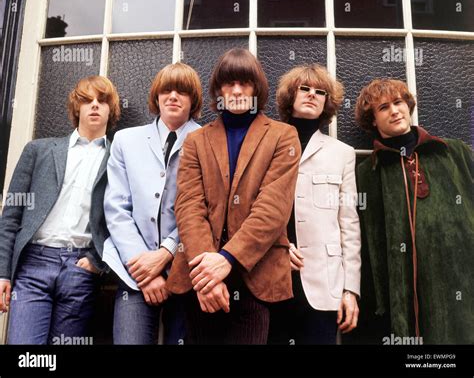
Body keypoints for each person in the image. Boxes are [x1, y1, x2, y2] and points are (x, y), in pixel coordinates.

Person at [166, 48, 301, 344]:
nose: (237, 90)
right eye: (229, 83)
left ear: (257, 88)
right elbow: (188, 206)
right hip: (199, 278)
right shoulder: (195, 140)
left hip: (255, 276)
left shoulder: (283, 136)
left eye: (245, 83)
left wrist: (228, 259)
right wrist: (207, 271)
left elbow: (273, 209)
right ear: (218, 90)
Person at [0, 76, 120, 344]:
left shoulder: (118, 158)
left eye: (102, 101)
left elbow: (123, 218)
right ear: (76, 107)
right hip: (33, 265)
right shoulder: (38, 150)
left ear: (111, 109)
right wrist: (2, 273)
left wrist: (98, 263)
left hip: (80, 269)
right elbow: (10, 217)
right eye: (87, 100)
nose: (94, 105)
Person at [355, 78, 473, 344]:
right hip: (406, 292)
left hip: (462, 282)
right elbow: (367, 241)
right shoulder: (368, 173)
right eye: (383, 107)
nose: (395, 111)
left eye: (398, 103)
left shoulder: (454, 152)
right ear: (373, 119)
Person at [103, 63, 202, 344]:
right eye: (166, 90)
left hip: (187, 269)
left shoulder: (208, 140)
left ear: (192, 100)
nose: (173, 96)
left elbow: (206, 208)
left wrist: (166, 252)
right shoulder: (125, 140)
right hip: (133, 270)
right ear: (156, 97)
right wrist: (144, 271)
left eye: (182, 91)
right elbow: (116, 207)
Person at [269, 64, 360, 344]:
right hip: (272, 280)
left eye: (320, 92)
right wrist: (278, 244)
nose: (312, 95)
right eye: (304, 89)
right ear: (290, 97)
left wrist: (350, 290)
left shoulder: (342, 153)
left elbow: (349, 223)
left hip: (325, 284)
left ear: (327, 102)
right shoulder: (267, 144)